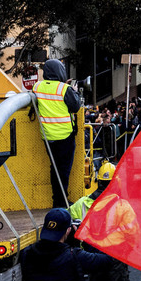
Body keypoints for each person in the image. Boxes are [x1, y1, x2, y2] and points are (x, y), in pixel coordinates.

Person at [19, 208, 114, 281]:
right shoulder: (75, 255)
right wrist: (84, 238)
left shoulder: (27, 252)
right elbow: (107, 260)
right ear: (68, 230)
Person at [69, 161, 132, 281]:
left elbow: (68, 225)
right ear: (116, 182)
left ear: (98, 181)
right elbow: (133, 236)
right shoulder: (122, 206)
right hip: (115, 258)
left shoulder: (81, 204)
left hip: (92, 256)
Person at [33, 59, 82, 208]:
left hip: (48, 137)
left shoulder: (37, 86)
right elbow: (76, 106)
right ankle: (61, 202)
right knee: (64, 171)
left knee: (54, 169)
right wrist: (73, 89)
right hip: (65, 136)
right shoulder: (63, 89)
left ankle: (58, 200)